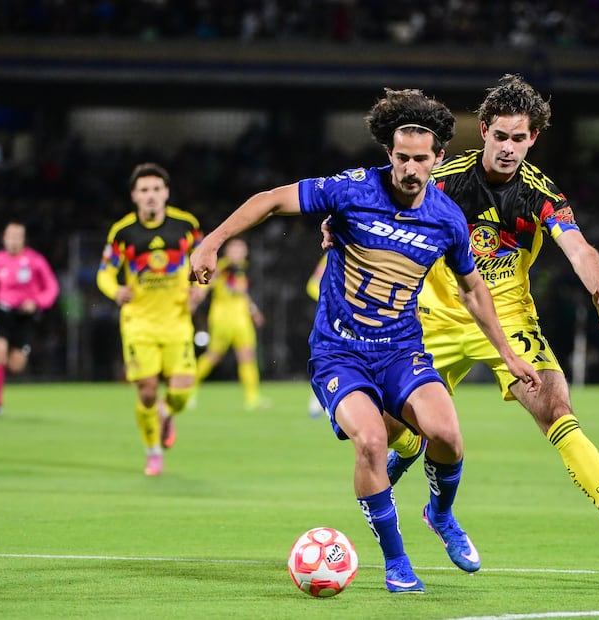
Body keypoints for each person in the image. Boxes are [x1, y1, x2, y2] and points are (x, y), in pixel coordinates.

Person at [189, 88, 541, 593]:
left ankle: (440, 515)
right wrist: (212, 241)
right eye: (401, 157)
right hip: (340, 351)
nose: (410, 168)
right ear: (389, 154)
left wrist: (507, 355)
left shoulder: (446, 219)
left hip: (401, 349)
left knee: (447, 434)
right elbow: (270, 201)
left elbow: (473, 289)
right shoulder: (351, 190)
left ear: (438, 159)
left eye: (421, 159)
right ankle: (397, 561)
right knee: (373, 441)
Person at [368, 74, 599, 577]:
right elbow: (384, 195)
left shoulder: (540, 195)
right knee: (388, 428)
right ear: (482, 130)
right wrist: (336, 226)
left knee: (555, 407)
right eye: (499, 135)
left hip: (508, 321)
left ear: (533, 139)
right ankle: (416, 450)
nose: (507, 147)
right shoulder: (445, 179)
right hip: (433, 321)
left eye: (518, 138)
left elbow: (578, 246)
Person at [96, 163, 205, 477]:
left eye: (157, 189)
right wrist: (115, 291)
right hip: (138, 322)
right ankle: (153, 451)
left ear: (166, 192)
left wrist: (200, 289)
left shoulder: (186, 225)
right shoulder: (122, 232)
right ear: (134, 196)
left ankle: (166, 412)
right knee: (145, 390)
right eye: (144, 190)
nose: (151, 196)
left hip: (177, 320)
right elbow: (104, 272)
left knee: (182, 392)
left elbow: (204, 263)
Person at [0, 221, 60, 416]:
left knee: (16, 365)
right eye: (10, 236)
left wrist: (37, 302)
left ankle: (3, 360)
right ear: (4, 238)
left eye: (17, 237)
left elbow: (52, 288)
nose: (13, 241)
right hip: (3, 313)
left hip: (25, 318)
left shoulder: (36, 261)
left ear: (23, 239)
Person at [193, 237, 266, 410]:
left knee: (247, 356)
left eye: (241, 250)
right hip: (223, 318)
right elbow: (205, 286)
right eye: (235, 250)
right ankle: (187, 390)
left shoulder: (242, 269)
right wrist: (196, 297)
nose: (239, 253)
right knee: (213, 356)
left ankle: (252, 398)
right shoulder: (220, 267)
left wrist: (253, 310)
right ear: (227, 251)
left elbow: (242, 293)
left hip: (241, 318)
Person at [305, 254, 327, 419]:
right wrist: (330, 300)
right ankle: (318, 398)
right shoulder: (333, 254)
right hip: (334, 319)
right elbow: (313, 284)